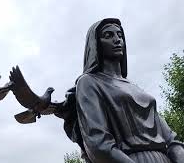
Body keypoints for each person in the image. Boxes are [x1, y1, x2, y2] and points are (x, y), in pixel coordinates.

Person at [60, 18, 184, 163]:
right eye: (108, 36)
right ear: (95, 45)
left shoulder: (135, 87)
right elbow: (99, 145)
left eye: (120, 35)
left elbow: (171, 140)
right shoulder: (89, 82)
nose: (117, 40)